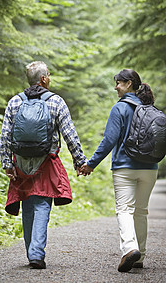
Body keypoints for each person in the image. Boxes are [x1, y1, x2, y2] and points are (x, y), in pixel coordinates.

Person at [0, 61, 86, 269]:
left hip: (20, 161)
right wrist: (80, 161)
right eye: (48, 74)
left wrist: (6, 163)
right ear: (44, 79)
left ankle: (32, 252)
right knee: (41, 204)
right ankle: (36, 254)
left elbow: (5, 135)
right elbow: (69, 134)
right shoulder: (56, 102)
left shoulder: (14, 102)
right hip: (45, 161)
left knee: (28, 203)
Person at [80, 69, 158, 272]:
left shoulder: (120, 108)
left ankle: (130, 249)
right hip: (150, 168)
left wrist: (91, 163)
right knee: (141, 211)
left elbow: (109, 140)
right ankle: (140, 254)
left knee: (124, 209)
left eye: (119, 83)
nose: (115, 87)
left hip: (124, 167)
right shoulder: (150, 108)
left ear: (129, 83)